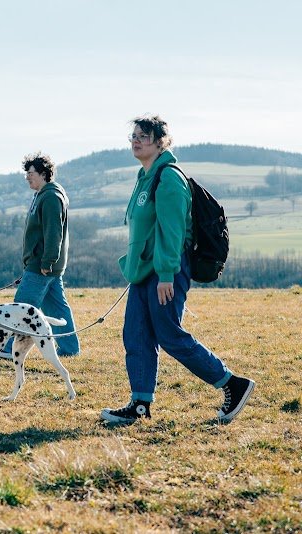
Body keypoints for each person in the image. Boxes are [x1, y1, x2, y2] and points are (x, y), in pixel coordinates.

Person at [101, 115, 254, 423]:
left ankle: (232, 384)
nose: (136, 140)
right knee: (136, 335)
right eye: (133, 135)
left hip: (164, 270)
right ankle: (140, 405)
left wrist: (167, 274)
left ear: (161, 142)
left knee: (169, 334)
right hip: (144, 270)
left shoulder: (168, 178)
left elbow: (172, 232)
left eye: (143, 136)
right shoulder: (144, 176)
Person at [0, 151, 81, 360]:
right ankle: (70, 348)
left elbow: (54, 233)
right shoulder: (42, 195)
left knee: (21, 308)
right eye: (26, 172)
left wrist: (47, 261)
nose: (27, 176)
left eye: (31, 172)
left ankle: (9, 349)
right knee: (57, 306)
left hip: (42, 266)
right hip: (44, 265)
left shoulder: (52, 197)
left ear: (44, 173)